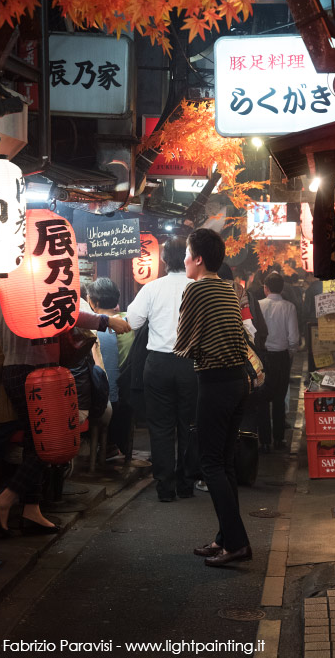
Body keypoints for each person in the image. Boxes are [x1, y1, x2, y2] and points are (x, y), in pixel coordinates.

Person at [0, 307, 131, 538]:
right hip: (35, 371)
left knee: (36, 443)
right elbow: (67, 312)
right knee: (50, 443)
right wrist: (106, 321)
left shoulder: (9, 286)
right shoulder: (35, 281)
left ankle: (31, 510)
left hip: (16, 369)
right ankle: (4, 500)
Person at [173, 228, 251, 567]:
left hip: (216, 382)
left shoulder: (196, 289)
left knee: (211, 464)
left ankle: (236, 543)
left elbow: (184, 339)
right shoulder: (228, 287)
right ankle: (225, 538)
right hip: (238, 381)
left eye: (188, 253)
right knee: (225, 462)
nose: (184, 260)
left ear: (199, 258)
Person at [126, 236, 196, 502]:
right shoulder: (197, 287)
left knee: (161, 426)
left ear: (165, 259)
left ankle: (165, 488)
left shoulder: (152, 288)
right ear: (190, 258)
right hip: (192, 363)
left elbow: (132, 321)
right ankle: (186, 484)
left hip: (157, 364)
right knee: (189, 425)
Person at [86, 277, 134, 461]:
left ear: (93, 302)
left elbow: (107, 375)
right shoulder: (129, 321)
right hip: (129, 394)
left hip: (111, 400)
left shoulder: (99, 331)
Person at [258, 272, 299, 451]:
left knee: (262, 400)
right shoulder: (289, 307)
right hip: (281, 356)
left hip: (262, 357)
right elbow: (294, 338)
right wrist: (289, 354)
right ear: (282, 288)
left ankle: (264, 441)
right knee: (279, 398)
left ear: (265, 288)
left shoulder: (258, 305)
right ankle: (278, 439)